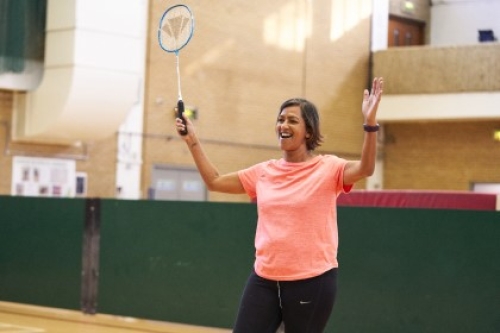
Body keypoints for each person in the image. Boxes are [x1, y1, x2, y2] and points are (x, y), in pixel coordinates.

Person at [175, 77, 384, 333]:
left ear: (309, 131)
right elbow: (215, 181)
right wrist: (191, 140)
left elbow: (366, 168)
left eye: (292, 120)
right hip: (264, 279)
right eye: (281, 119)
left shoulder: (329, 168)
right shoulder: (263, 172)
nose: (283, 125)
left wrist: (370, 123)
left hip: (313, 281)